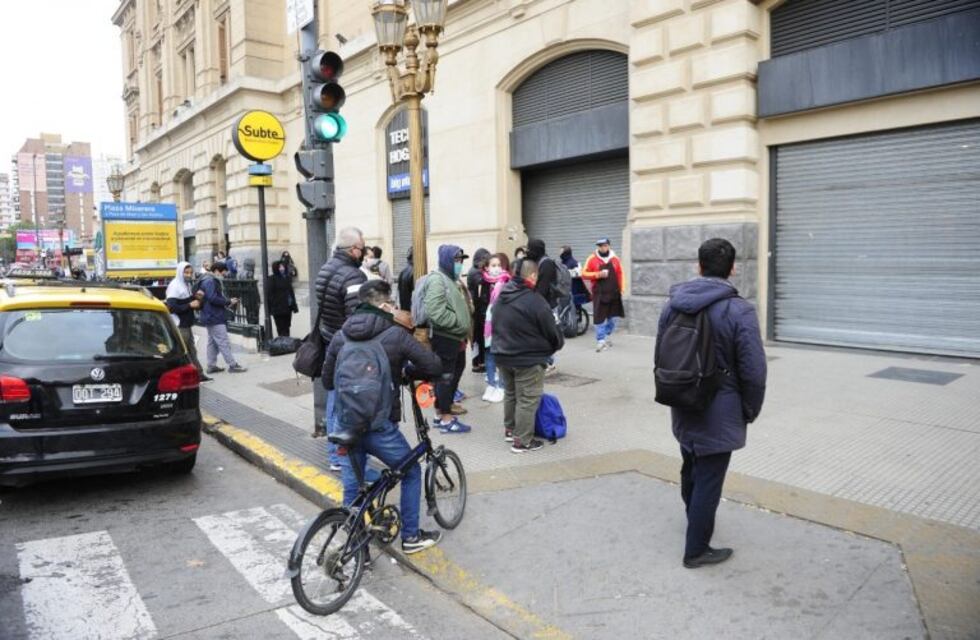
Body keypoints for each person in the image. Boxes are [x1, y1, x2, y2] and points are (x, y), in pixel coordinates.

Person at [656, 238, 767, 569]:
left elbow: (661, 351)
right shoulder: (738, 310)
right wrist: (750, 408)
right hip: (721, 408)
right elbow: (754, 371)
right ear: (733, 269)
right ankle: (696, 550)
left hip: (682, 397)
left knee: (690, 463)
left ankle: (695, 519)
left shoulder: (673, 304)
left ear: (698, 266)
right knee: (708, 478)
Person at [322, 280, 445, 553]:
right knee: (411, 471)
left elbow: (328, 380)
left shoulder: (341, 335)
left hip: (346, 424)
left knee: (353, 485)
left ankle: (356, 549)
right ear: (386, 304)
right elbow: (433, 365)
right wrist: (406, 373)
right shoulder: (395, 334)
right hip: (379, 427)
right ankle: (411, 537)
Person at [491, 259, 564, 452]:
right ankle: (522, 441)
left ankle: (511, 429)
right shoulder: (535, 300)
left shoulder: (502, 296)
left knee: (511, 393)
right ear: (532, 276)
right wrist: (555, 345)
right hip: (528, 358)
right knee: (527, 399)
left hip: (502, 355)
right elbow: (552, 331)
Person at [314, 227, 368, 453]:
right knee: (341, 400)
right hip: (346, 346)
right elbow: (357, 317)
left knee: (334, 397)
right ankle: (338, 456)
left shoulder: (326, 268)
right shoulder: (353, 275)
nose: (364, 253)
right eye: (363, 249)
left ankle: (333, 450)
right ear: (354, 249)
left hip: (330, 338)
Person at [423, 244, 473, 434]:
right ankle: (446, 420)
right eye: (456, 260)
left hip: (455, 338)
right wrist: (459, 323)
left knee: (451, 376)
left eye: (461, 260)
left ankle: (440, 413)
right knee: (445, 378)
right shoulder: (438, 280)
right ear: (446, 260)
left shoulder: (452, 280)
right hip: (446, 338)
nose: (460, 264)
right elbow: (435, 312)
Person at [165, 261, 210, 381]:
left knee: (191, 351)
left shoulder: (186, 285)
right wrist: (190, 305)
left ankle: (198, 374)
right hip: (179, 325)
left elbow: (187, 301)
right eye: (186, 272)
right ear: (180, 272)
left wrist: (197, 298)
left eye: (190, 272)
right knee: (184, 352)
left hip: (187, 324)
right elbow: (171, 307)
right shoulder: (175, 286)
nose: (189, 275)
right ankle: (188, 376)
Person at [199, 261, 247, 374]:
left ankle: (211, 366)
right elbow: (212, 298)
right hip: (214, 316)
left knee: (212, 342)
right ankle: (232, 365)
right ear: (216, 271)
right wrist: (227, 301)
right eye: (223, 273)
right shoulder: (210, 281)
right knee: (223, 341)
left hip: (209, 315)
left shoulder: (206, 279)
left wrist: (227, 302)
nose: (224, 275)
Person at [582, 237, 625, 352]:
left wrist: (622, 288)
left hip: (614, 292)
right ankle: (601, 340)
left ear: (609, 246)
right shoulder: (592, 258)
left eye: (605, 245)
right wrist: (597, 274)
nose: (602, 247)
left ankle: (606, 335)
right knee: (600, 316)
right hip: (599, 293)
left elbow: (620, 274)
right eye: (600, 245)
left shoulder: (615, 259)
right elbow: (584, 273)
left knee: (614, 317)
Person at [481, 253, 511, 402]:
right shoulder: (484, 283)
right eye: (493, 265)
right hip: (487, 326)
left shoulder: (505, 282)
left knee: (501, 356)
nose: (497, 268)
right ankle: (491, 384)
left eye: (499, 265)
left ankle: (502, 386)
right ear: (487, 267)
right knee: (489, 354)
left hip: (501, 325)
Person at [466, 249, 492, 374]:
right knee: (477, 339)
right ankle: (477, 363)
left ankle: (481, 362)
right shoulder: (475, 272)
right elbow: (484, 281)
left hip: (479, 309)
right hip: (476, 310)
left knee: (480, 338)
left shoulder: (478, 271)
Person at [268, 260, 299, 337]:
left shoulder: (287, 277)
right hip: (278, 308)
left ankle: (287, 342)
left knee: (287, 326)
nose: (282, 268)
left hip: (287, 307)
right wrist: (273, 307)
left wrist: (294, 306)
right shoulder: (272, 279)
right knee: (280, 327)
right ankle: (281, 343)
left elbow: (291, 293)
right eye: (280, 267)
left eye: (282, 266)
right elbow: (270, 294)